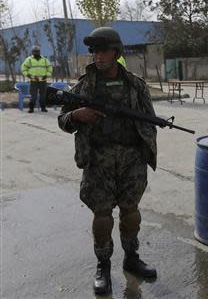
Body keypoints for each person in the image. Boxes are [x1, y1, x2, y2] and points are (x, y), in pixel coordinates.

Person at [57, 27, 158, 295]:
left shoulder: (135, 85)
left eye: (103, 50)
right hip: (99, 161)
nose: (97, 56)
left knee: (131, 213)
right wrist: (77, 115)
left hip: (130, 161)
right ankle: (103, 266)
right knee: (102, 217)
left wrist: (143, 152)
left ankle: (132, 259)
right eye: (94, 51)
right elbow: (63, 120)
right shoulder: (83, 86)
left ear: (116, 52)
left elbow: (150, 119)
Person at [21, 45, 53, 113]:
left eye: (37, 51)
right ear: (32, 52)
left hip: (43, 81)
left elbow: (49, 68)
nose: (36, 52)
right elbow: (23, 68)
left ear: (39, 52)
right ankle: (31, 108)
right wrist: (28, 75)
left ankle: (43, 108)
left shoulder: (45, 60)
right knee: (33, 96)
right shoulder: (29, 60)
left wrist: (47, 75)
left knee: (43, 95)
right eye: (34, 51)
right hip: (33, 81)